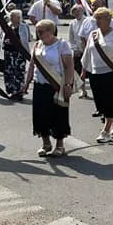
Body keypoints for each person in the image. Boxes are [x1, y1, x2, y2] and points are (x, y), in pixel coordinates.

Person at [25, 19, 74, 158]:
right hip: (40, 85)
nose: (38, 34)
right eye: (37, 31)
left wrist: (68, 85)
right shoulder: (37, 45)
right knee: (40, 115)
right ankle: (46, 143)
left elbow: (69, 67)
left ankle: (60, 145)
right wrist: (27, 82)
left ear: (51, 31)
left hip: (56, 85)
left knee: (58, 115)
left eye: (41, 31)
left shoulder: (62, 45)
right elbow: (32, 65)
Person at [81, 7, 113, 144]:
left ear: (108, 20)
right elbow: (87, 53)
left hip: (111, 73)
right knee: (101, 102)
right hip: (95, 72)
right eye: (96, 18)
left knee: (110, 101)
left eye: (100, 18)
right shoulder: (93, 35)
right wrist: (84, 70)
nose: (97, 21)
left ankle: (106, 131)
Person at [2, 9, 31, 101]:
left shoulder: (23, 27)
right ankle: (10, 91)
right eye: (10, 16)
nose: (10, 17)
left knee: (18, 72)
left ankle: (18, 92)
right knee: (8, 72)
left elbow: (25, 40)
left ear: (18, 17)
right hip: (8, 53)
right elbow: (2, 37)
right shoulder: (8, 26)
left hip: (19, 54)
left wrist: (14, 42)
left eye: (12, 16)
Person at [66, 5, 88, 99]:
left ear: (83, 11)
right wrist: (75, 49)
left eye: (78, 11)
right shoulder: (72, 23)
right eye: (75, 11)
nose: (77, 13)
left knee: (90, 72)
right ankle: (83, 90)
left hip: (87, 49)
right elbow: (71, 38)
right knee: (79, 72)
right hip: (78, 51)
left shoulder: (87, 21)